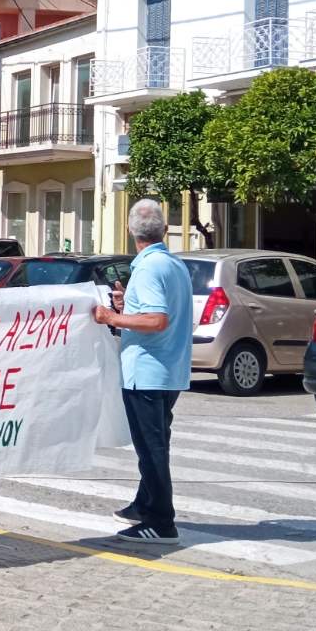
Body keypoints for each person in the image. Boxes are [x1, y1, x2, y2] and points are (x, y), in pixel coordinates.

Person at [91, 197, 194, 545]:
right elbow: (157, 312)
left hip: (148, 371)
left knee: (151, 447)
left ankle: (161, 521)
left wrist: (112, 317)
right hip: (169, 369)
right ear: (164, 230)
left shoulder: (148, 268)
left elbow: (156, 319)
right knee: (156, 440)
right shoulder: (172, 264)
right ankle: (145, 502)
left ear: (130, 230)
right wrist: (126, 306)